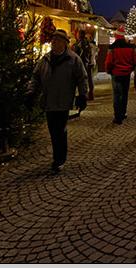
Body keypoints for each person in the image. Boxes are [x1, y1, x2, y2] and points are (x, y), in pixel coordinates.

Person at [27, 29, 88, 172]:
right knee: (53, 131)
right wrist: (30, 92)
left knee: (59, 130)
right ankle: (58, 157)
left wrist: (82, 95)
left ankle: (59, 159)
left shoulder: (73, 59)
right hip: (48, 101)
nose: (53, 42)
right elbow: (35, 77)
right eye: (53, 40)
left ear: (65, 43)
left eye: (57, 40)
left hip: (63, 100)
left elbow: (82, 78)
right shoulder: (45, 59)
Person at [105, 30, 136, 124]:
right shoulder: (131, 47)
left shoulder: (112, 47)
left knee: (117, 95)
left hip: (116, 73)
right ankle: (123, 113)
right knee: (125, 94)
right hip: (126, 73)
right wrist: (131, 69)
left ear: (116, 36)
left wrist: (109, 71)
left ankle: (117, 116)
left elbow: (108, 62)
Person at [74, 31, 97, 101]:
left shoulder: (79, 43)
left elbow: (75, 54)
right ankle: (90, 94)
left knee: (81, 80)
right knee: (89, 79)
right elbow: (90, 53)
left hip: (81, 63)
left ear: (79, 35)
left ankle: (82, 95)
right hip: (88, 63)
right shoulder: (87, 43)